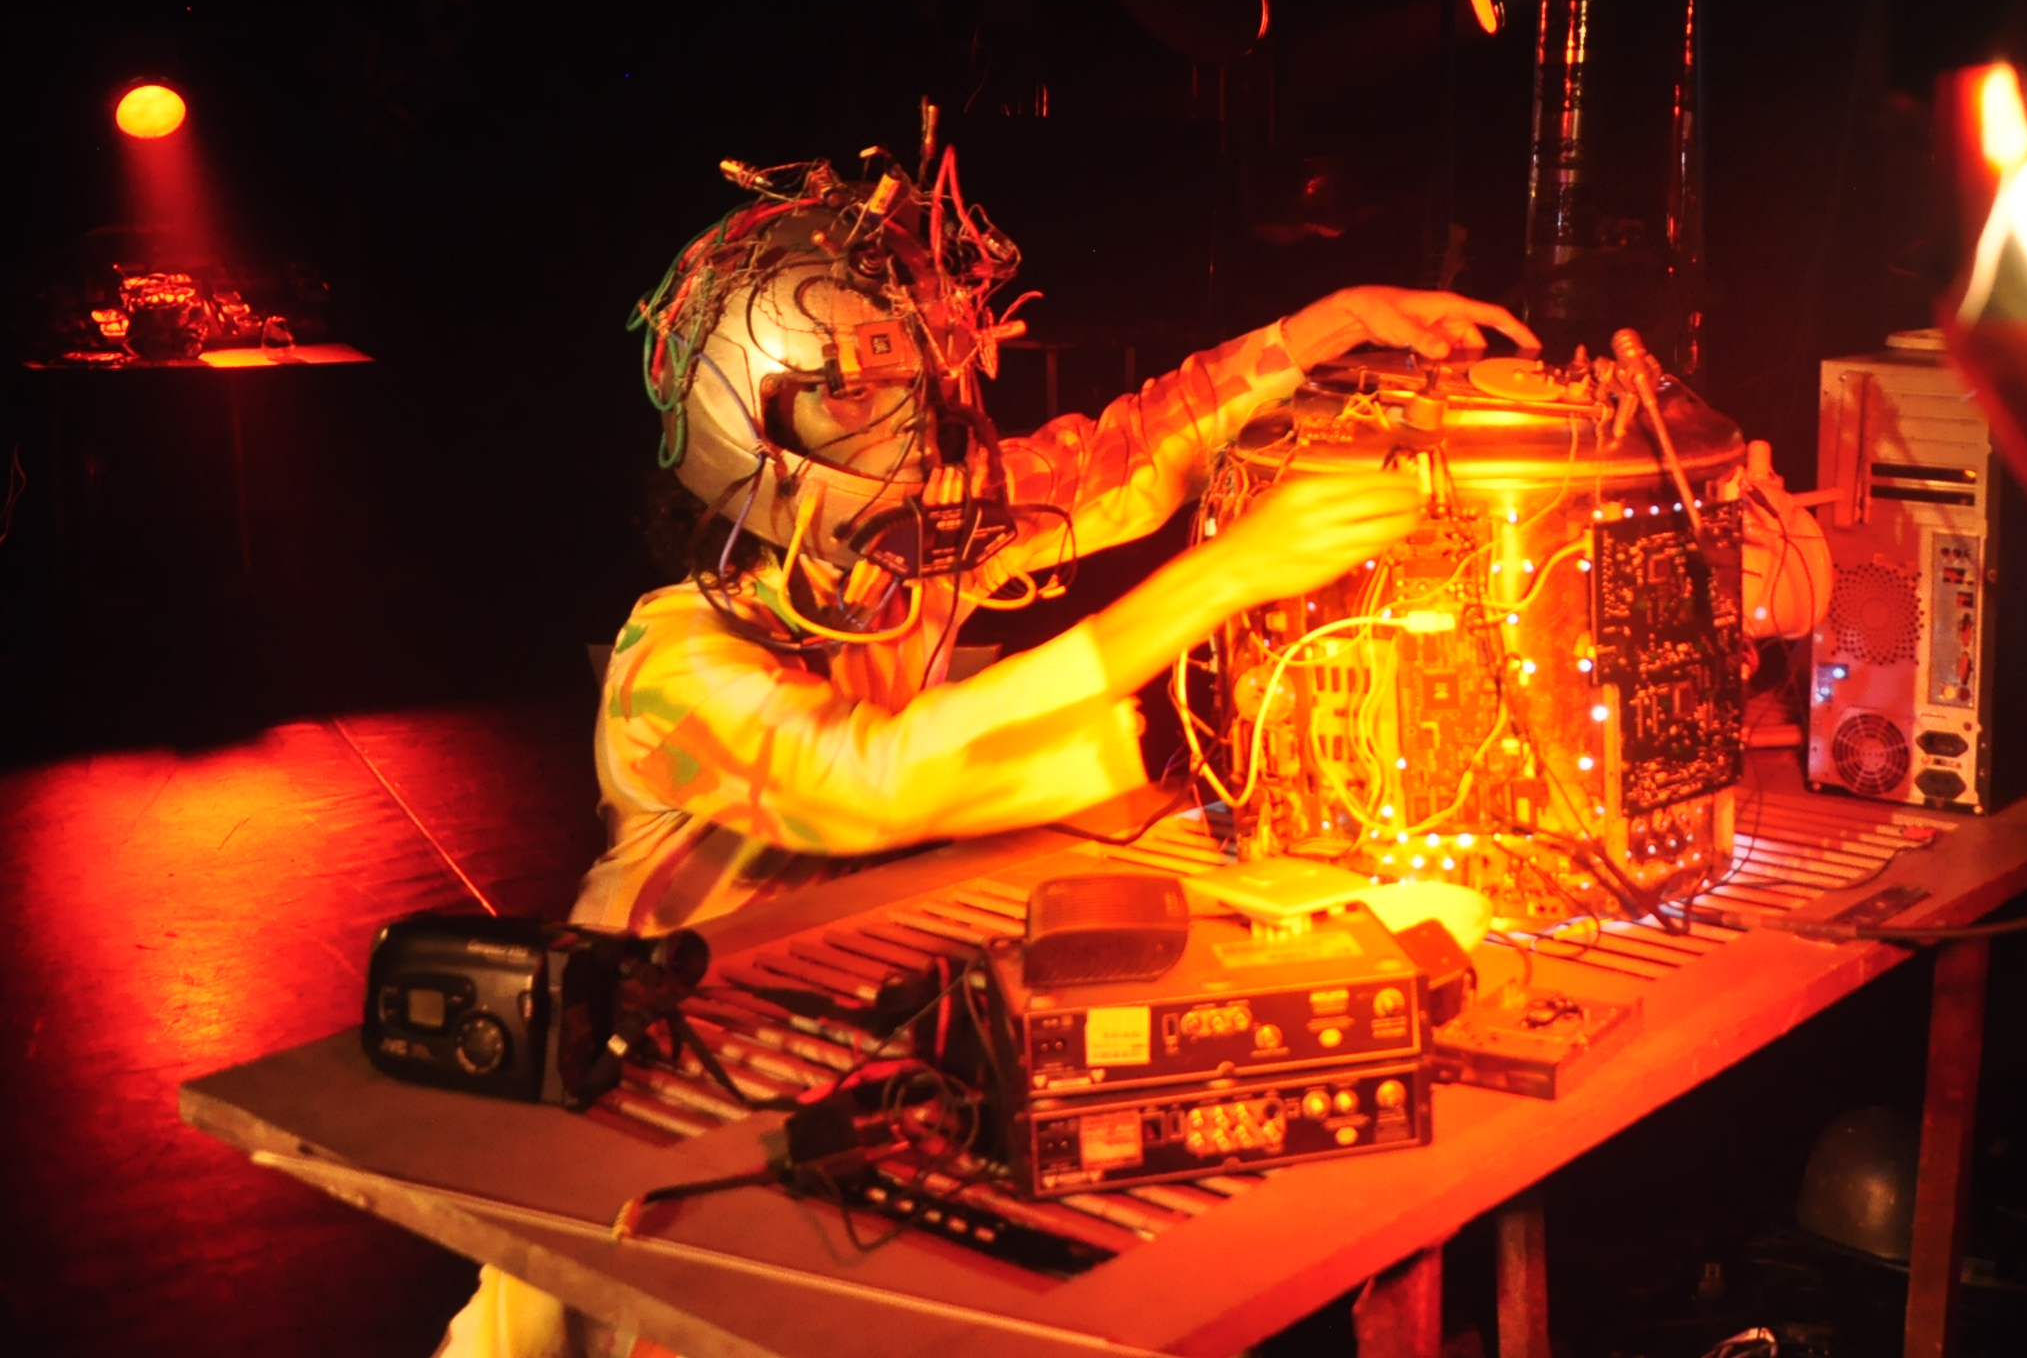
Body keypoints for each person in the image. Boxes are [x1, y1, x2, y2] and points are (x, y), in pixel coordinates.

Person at [434, 150, 1535, 1358]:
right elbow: (871, 779)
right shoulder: (673, 657)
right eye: (850, 395)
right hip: (645, 1081)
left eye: (911, 382)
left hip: (811, 1050)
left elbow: (1119, 459)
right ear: (748, 422)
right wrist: (1226, 576)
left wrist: (1333, 322)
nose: (909, 432)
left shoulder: (894, 555)